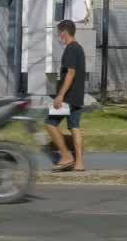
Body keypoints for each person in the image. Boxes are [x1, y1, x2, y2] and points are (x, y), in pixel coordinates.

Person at [46, 19, 86, 172]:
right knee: (75, 127)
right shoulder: (79, 48)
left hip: (67, 97)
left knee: (50, 123)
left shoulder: (70, 49)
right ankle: (79, 163)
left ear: (64, 32)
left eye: (59, 33)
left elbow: (70, 73)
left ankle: (65, 155)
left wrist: (60, 95)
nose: (59, 37)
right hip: (77, 96)